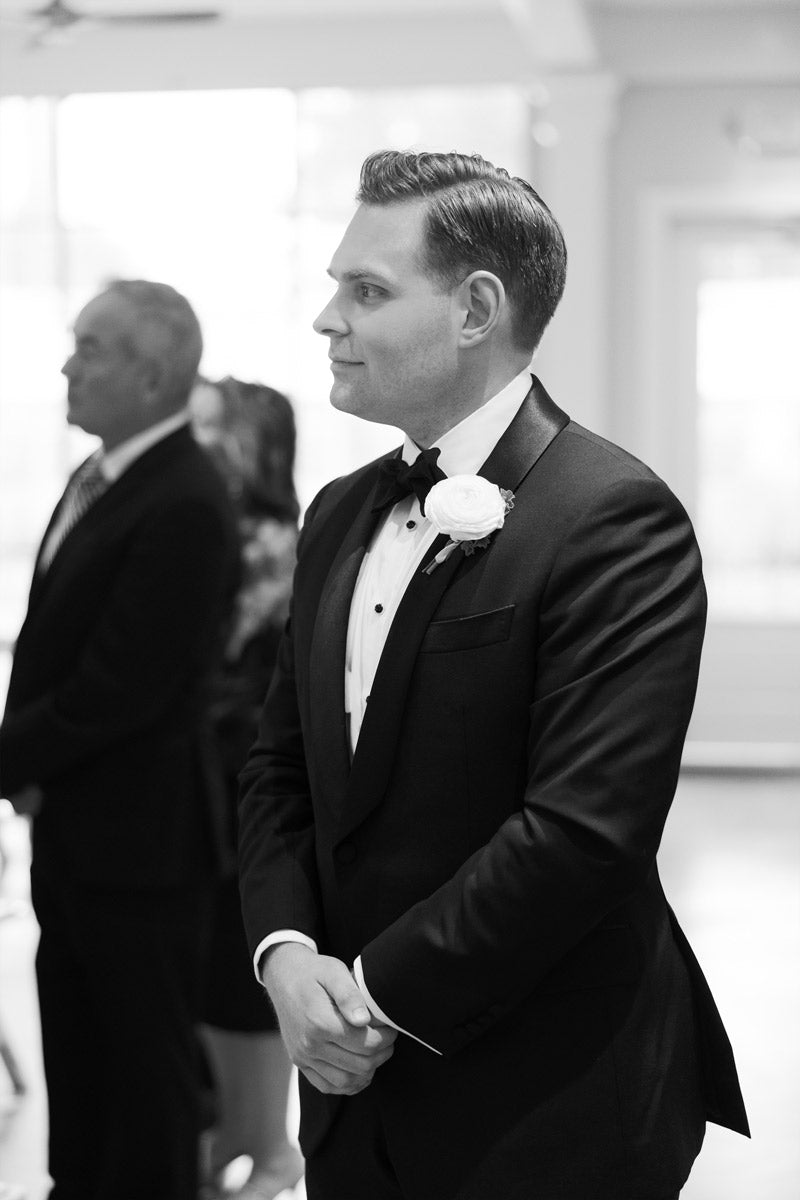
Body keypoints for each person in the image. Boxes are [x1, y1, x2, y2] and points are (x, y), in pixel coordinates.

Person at [237, 151, 749, 1200]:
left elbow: (581, 831)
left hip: (545, 1100)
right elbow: (278, 765)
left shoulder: (609, 515)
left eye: (364, 290)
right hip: (345, 1095)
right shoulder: (338, 510)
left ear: (476, 309)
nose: (325, 319)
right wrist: (285, 955)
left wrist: (369, 1001)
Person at [0, 280, 240, 1200]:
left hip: (142, 843)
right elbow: (54, 649)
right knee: (81, 1047)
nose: (68, 364)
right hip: (79, 829)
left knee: (146, 1074)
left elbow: (116, 691)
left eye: (89, 348)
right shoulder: (100, 473)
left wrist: (8, 760)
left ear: (148, 376)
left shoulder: (183, 499)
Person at [190, 376, 304, 1200]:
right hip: (202, 794)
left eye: (210, 430)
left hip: (243, 795)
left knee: (242, 974)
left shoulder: (273, 544)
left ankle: (271, 1147)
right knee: (210, 977)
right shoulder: (224, 530)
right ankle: (239, 1127)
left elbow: (229, 681)